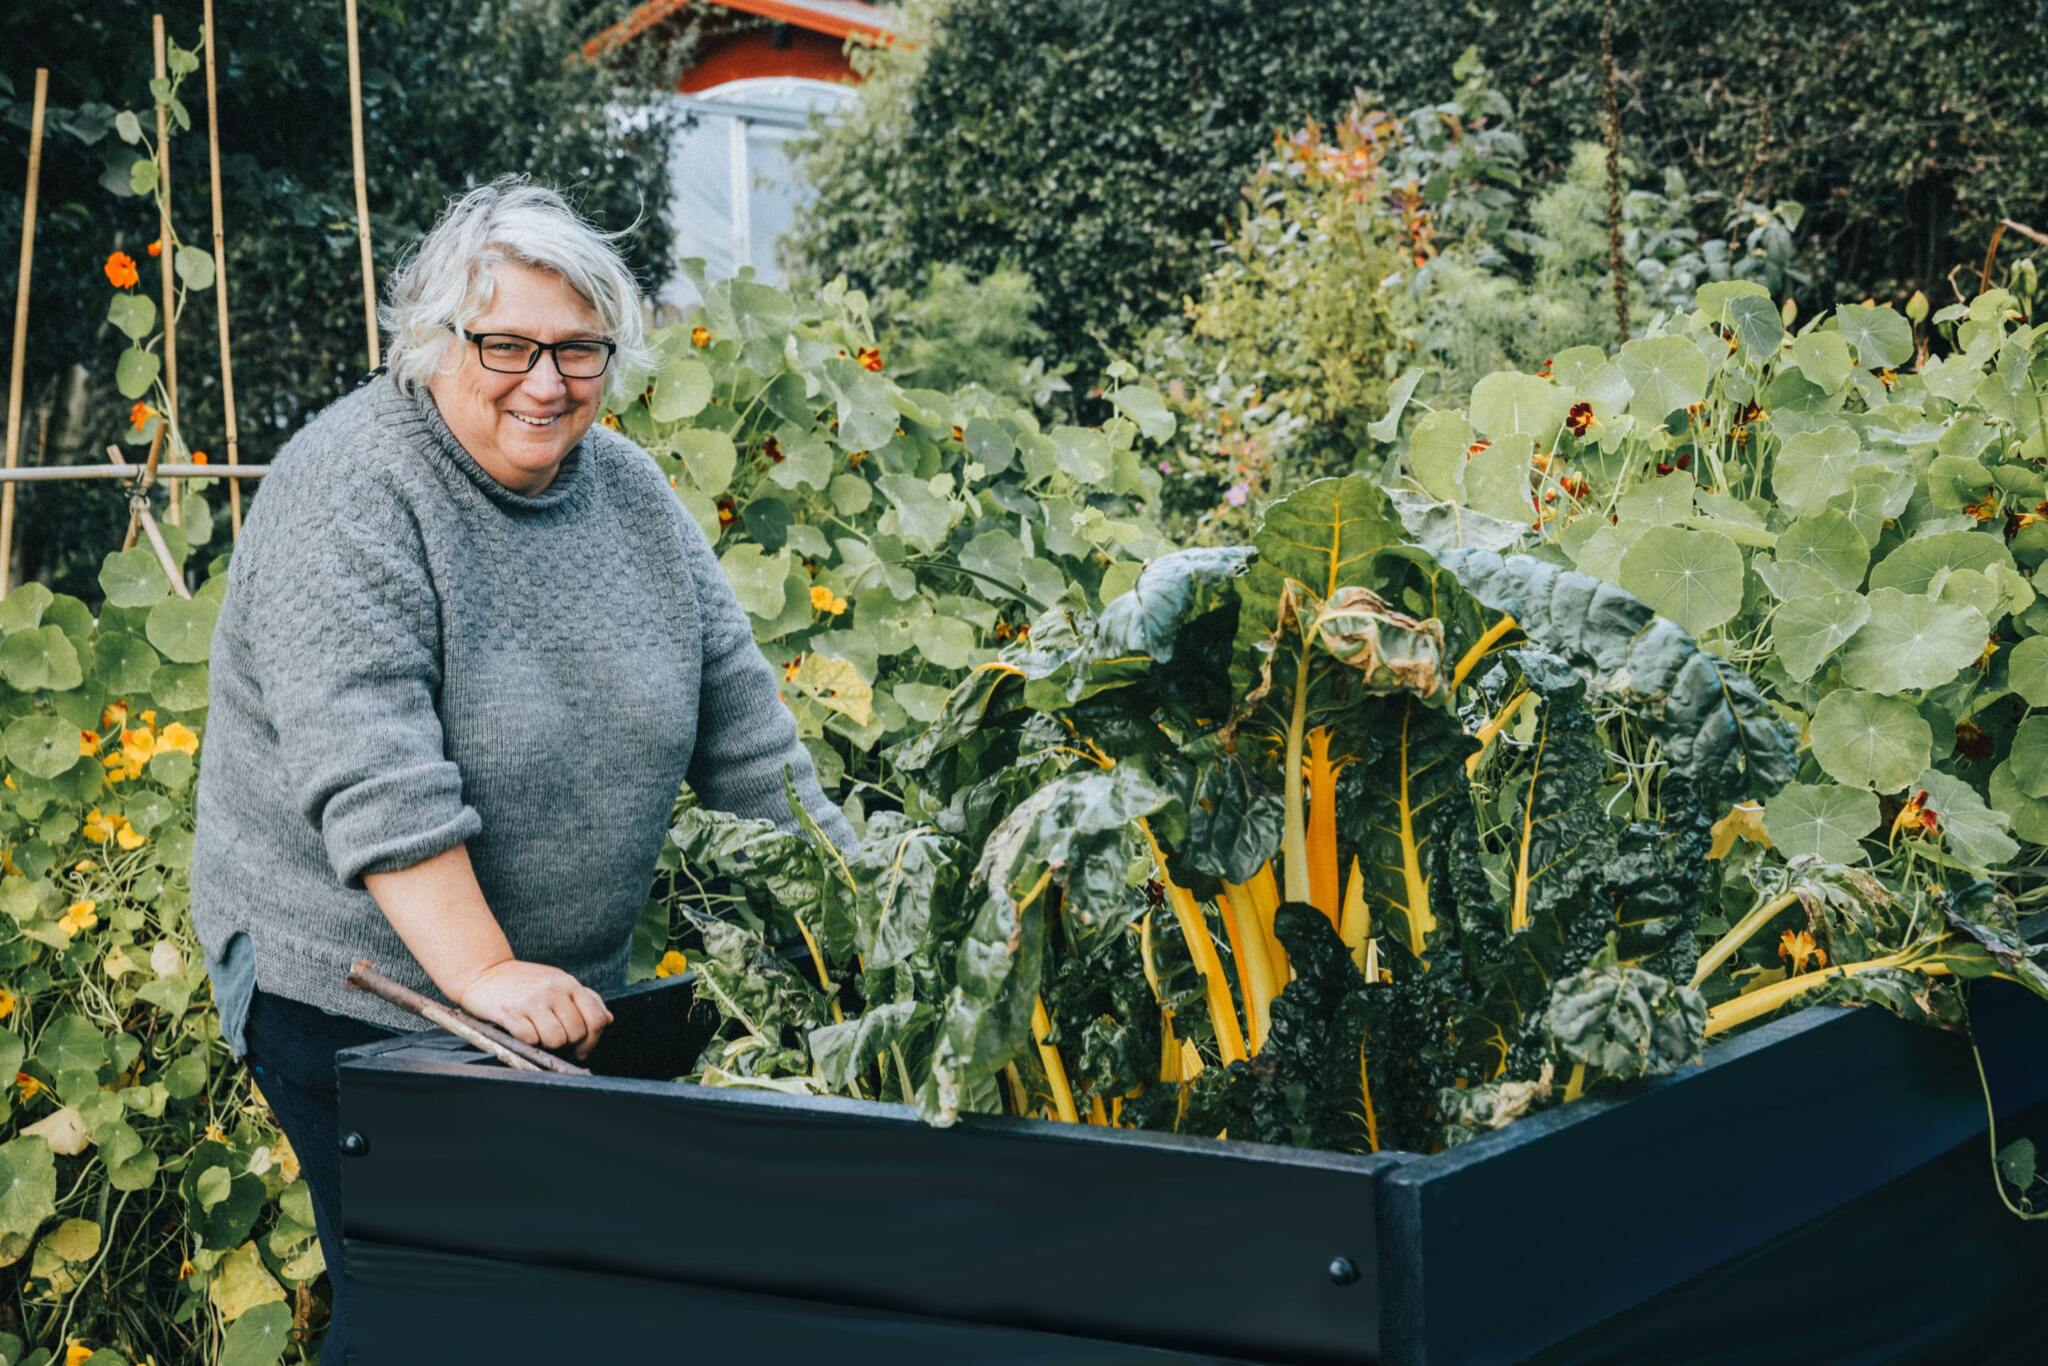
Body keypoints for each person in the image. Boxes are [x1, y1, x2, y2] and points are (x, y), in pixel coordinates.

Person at [189, 176, 854, 1362]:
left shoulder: (635, 500)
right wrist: (484, 970)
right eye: (507, 345)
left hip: (559, 1002)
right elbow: (368, 763)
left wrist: (864, 921)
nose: (544, 383)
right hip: (351, 988)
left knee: (561, 1307)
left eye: (578, 351)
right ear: (435, 340)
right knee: (438, 1314)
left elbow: (751, 743)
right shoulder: (353, 484)